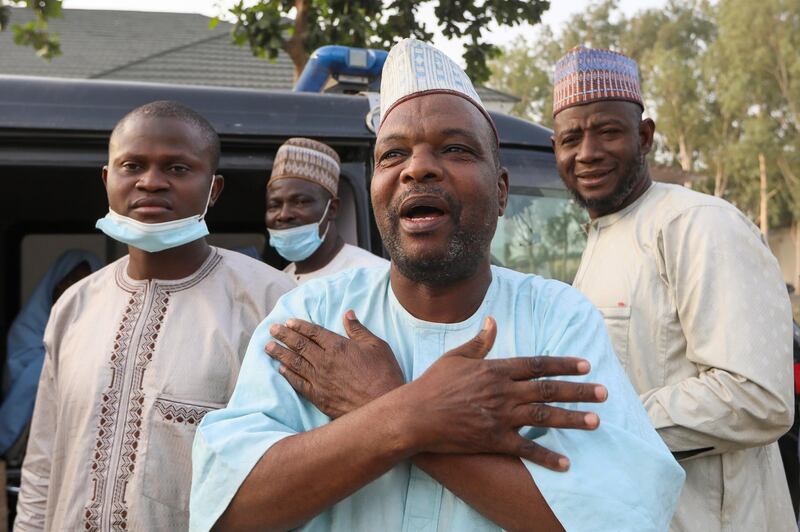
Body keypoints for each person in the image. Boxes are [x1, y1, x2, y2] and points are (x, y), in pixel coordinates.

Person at [190, 38, 684, 532]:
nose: (418, 167)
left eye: (454, 149)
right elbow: (229, 511)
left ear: (501, 191)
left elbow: (618, 518)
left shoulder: (556, 319)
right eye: (393, 155)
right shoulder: (308, 318)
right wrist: (412, 415)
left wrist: (385, 404)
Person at [14, 101, 294, 531]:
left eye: (178, 169)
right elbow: (44, 461)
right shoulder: (75, 305)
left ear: (213, 189)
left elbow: (298, 467)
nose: (151, 182)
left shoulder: (272, 302)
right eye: (132, 165)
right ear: (108, 180)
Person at [550, 46, 795, 531]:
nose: (587, 152)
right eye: (570, 138)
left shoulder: (697, 224)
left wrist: (595, 422)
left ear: (644, 137)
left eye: (608, 132)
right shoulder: (602, 237)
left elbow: (759, 398)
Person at [0, 250, 102, 459]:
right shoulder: (27, 330)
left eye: (82, 283)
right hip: (24, 448)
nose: (71, 291)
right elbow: (18, 381)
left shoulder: (106, 334)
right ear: (54, 285)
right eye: (68, 281)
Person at [266, 137, 388, 284]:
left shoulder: (372, 275)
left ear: (332, 209)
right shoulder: (280, 280)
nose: (284, 214)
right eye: (274, 205)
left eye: (300, 202)